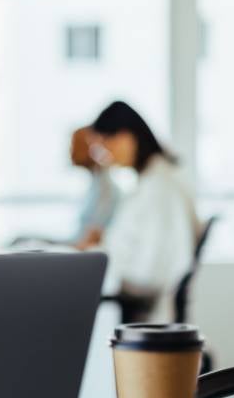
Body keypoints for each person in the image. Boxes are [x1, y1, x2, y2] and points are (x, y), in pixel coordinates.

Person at [82, 101, 199, 322]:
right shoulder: (151, 182)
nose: (104, 155)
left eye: (106, 144)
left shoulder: (160, 188)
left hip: (146, 314)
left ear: (127, 137)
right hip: (134, 302)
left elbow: (149, 272)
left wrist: (97, 259)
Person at [71, 125, 121, 250]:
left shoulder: (105, 189)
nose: (70, 152)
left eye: (74, 145)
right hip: (78, 247)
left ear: (91, 148)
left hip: (85, 254)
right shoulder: (95, 183)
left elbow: (91, 239)